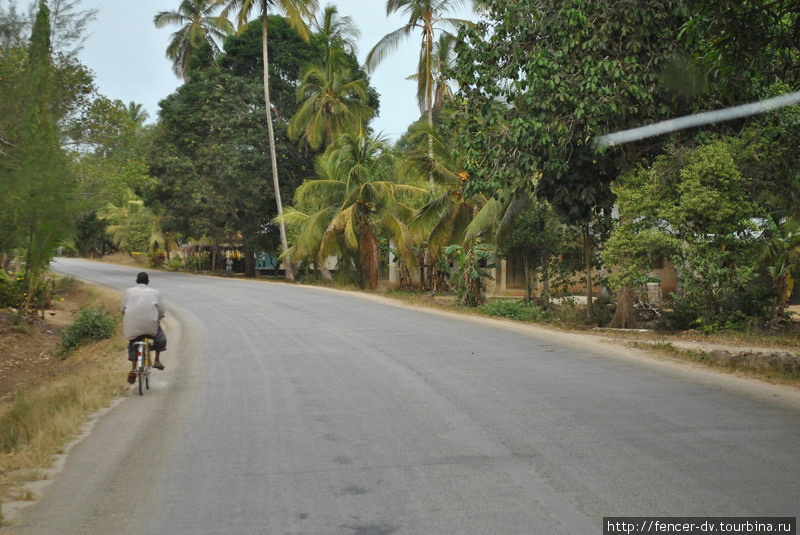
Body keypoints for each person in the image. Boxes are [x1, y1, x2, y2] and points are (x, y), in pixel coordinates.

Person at [121, 272, 167, 384]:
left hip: (133, 324)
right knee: (161, 338)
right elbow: (161, 311)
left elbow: (122, 309)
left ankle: (133, 368)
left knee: (133, 341)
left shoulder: (129, 292)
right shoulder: (155, 293)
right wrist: (159, 318)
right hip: (150, 324)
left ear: (137, 281)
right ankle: (156, 360)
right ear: (148, 281)